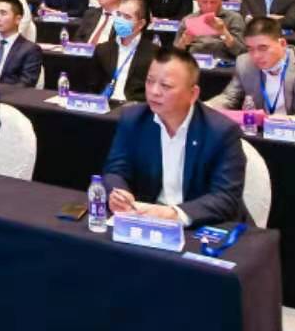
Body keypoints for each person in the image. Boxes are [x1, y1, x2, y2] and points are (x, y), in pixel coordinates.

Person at [103, 47, 246, 227]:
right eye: (149, 81)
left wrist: (174, 214)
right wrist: (119, 194)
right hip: (147, 218)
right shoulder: (133, 119)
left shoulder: (221, 131)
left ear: (193, 94)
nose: (154, 91)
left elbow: (226, 198)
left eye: (166, 86)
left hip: (200, 224)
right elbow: (115, 170)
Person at [207, 18, 295, 125]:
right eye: (250, 49)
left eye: (263, 48)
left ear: (282, 44)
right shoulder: (244, 63)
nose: (256, 56)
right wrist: (206, 107)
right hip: (262, 133)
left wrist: (291, 120)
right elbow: (229, 98)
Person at [92, 0, 153, 103]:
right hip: (105, 106)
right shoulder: (102, 50)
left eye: (127, 17)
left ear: (141, 24)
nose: (120, 20)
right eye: (119, 15)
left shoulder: (154, 54)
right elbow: (93, 87)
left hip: (134, 107)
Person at [175, 0, 244, 59]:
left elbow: (241, 52)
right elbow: (175, 54)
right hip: (194, 61)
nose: (209, 6)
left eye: (213, 2)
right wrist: (184, 42)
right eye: (204, 2)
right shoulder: (188, 19)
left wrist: (223, 32)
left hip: (223, 62)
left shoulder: (234, 18)